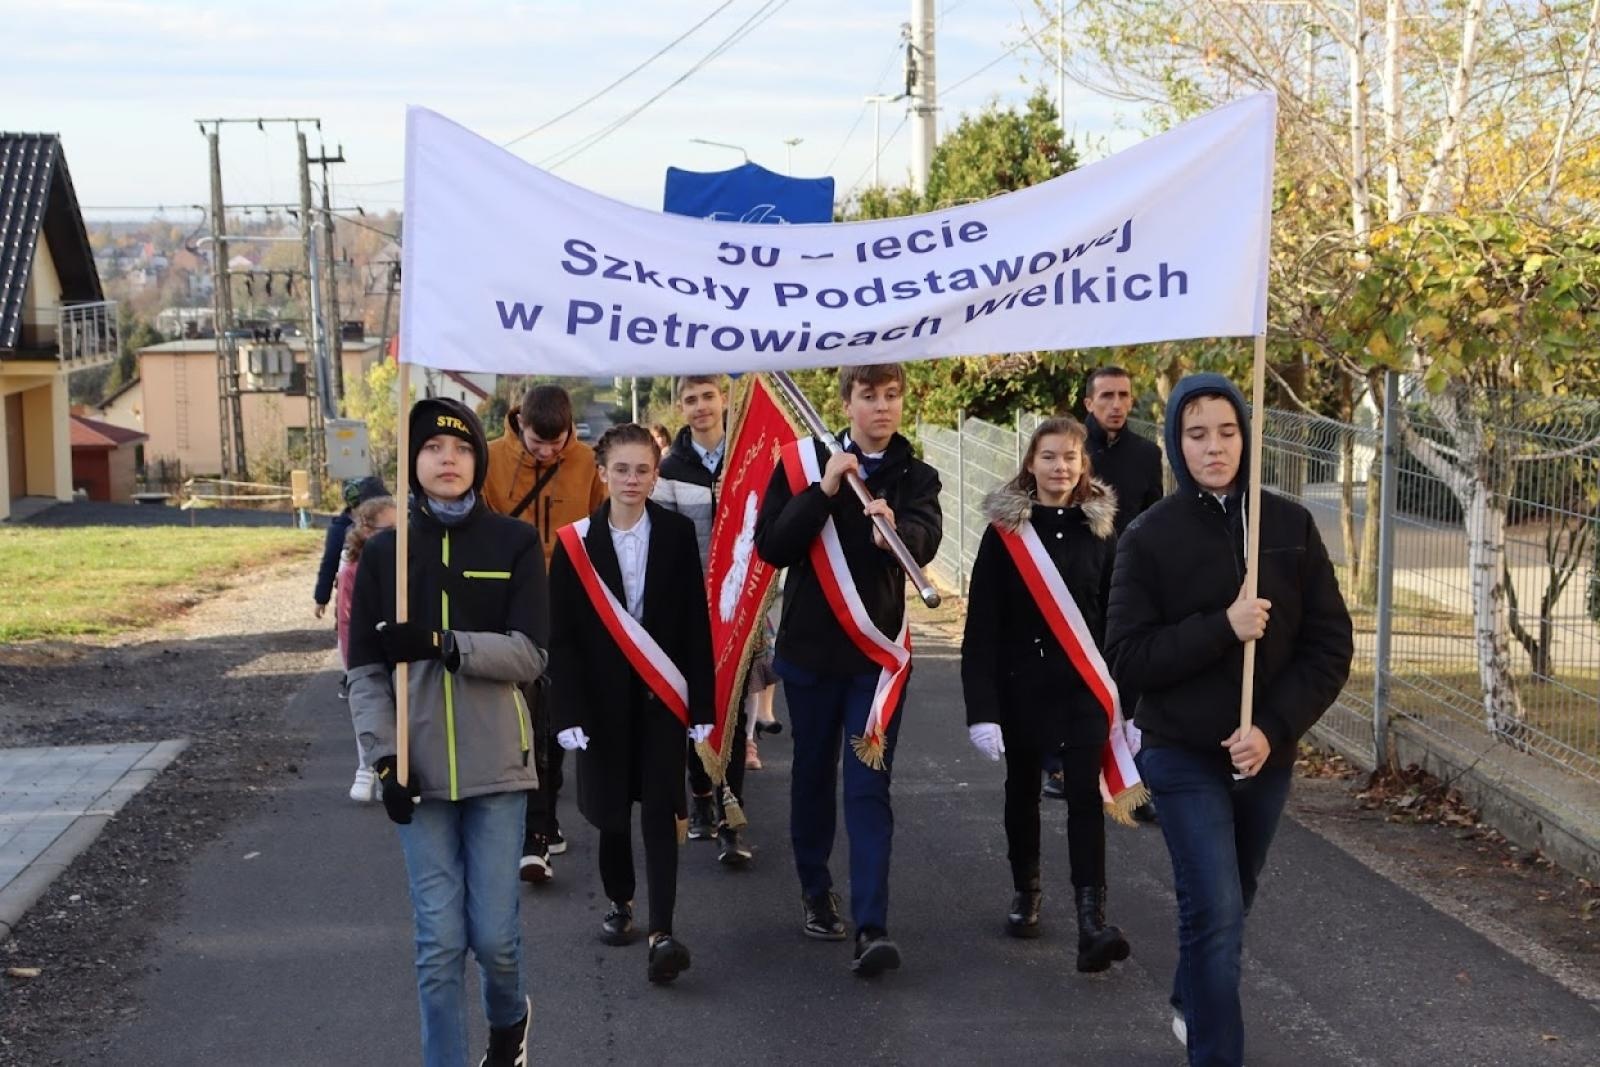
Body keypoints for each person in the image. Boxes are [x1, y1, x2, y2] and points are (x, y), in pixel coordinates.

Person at [1105, 373, 1353, 1066]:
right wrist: (1224, 626)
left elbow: (1329, 645)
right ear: (1176, 442)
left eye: (1227, 431)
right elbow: (1129, 655)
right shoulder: (1148, 537)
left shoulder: (1289, 525)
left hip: (1261, 755)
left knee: (1230, 899)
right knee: (1213, 908)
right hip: (1181, 752)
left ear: (1246, 435)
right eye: (1196, 434)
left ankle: (1192, 995)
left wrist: (1272, 727)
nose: (1213, 447)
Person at [346, 397, 549, 1067]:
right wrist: (382, 761)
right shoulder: (384, 554)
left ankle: (509, 1023)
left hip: (499, 766)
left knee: (494, 938)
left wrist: (443, 641)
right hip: (418, 769)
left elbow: (529, 654)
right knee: (437, 942)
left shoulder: (514, 544)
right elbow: (366, 675)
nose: (447, 458)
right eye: (433, 448)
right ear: (413, 463)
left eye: (460, 449)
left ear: (477, 460)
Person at [754, 363, 942, 977]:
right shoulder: (801, 463)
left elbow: (926, 536)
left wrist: (899, 535)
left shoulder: (919, 475)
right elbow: (774, 546)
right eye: (869, 396)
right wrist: (825, 490)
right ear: (846, 402)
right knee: (811, 774)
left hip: (874, 662)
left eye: (892, 395)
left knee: (867, 789)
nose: (882, 408)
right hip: (810, 657)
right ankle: (815, 889)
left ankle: (872, 926)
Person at [960, 416, 1131, 972]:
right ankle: (1026, 889)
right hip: (1021, 689)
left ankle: (1091, 919)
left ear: (1084, 466)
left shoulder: (1101, 533)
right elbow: (981, 627)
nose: (1061, 467)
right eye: (1050, 457)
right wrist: (982, 710)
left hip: (1081, 689)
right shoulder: (1004, 535)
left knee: (1085, 798)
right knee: (1022, 793)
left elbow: (1114, 621)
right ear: (1030, 464)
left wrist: (1125, 701)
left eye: (1071, 458)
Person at [548, 423, 714, 984]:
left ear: (656, 473)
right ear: (602, 473)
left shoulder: (673, 534)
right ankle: (621, 900)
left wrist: (704, 706)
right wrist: (565, 712)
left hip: (661, 700)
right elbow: (563, 637)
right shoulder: (574, 544)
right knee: (612, 815)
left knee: (662, 813)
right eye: (621, 469)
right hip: (599, 706)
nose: (632, 479)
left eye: (643, 469)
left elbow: (696, 623)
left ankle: (663, 930)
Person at [483, 384, 606, 883]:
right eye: (538, 444)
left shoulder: (587, 461)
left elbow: (603, 527)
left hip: (567, 603)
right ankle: (534, 826)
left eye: (557, 446)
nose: (549, 453)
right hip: (509, 604)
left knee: (555, 718)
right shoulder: (488, 458)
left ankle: (545, 819)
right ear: (520, 424)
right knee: (521, 720)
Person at [1042, 366, 1167, 813]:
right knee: (1073, 672)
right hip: (1075, 577)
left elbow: (1156, 516)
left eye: (1124, 395)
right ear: (1088, 403)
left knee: (1127, 678)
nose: (1116, 404)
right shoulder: (1070, 452)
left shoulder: (1146, 455)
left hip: (1130, 581)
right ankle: (1060, 764)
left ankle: (1133, 780)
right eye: (1107, 396)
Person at [652, 373, 753, 865]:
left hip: (739, 605)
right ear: (680, 408)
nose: (700, 407)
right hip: (691, 606)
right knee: (698, 708)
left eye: (708, 396)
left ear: (721, 399)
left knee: (732, 708)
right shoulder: (671, 468)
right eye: (690, 399)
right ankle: (702, 793)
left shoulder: (747, 454)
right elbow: (667, 540)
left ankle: (733, 815)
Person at [336, 492, 396, 803]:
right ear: (368, 531)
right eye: (390, 530)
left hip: (393, 647)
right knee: (370, 708)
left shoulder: (401, 563)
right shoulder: (352, 570)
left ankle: (393, 773)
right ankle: (365, 768)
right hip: (362, 649)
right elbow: (346, 621)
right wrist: (351, 666)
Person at [313, 475, 388, 619]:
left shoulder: (386, 525)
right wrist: (321, 598)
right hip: (350, 595)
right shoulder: (339, 530)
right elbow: (329, 563)